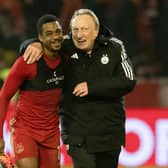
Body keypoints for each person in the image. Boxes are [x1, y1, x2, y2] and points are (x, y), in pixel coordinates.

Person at [20, 9, 136, 168]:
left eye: (84, 29)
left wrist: (92, 88)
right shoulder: (64, 46)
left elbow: (129, 80)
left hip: (109, 135)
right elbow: (44, 42)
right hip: (77, 135)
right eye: (75, 30)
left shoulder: (115, 48)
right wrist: (31, 44)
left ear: (96, 31)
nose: (79, 35)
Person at [0, 14, 65, 168]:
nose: (55, 36)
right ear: (40, 38)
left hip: (51, 133)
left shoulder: (67, 57)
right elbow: (3, 96)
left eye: (58, 31)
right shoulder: (26, 62)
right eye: (49, 34)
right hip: (25, 131)